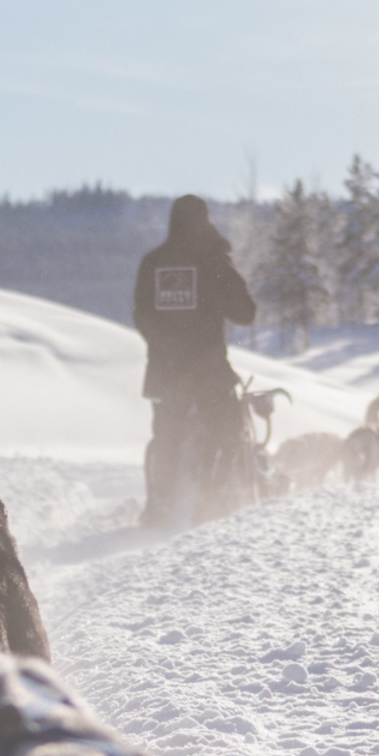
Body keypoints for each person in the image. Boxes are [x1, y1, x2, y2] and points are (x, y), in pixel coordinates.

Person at [133, 194, 256, 526]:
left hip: (165, 373)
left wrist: (167, 350)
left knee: (166, 439)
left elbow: (141, 316)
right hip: (209, 373)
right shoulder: (211, 262)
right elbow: (245, 312)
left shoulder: (152, 263)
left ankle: (159, 505)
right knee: (227, 433)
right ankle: (212, 500)